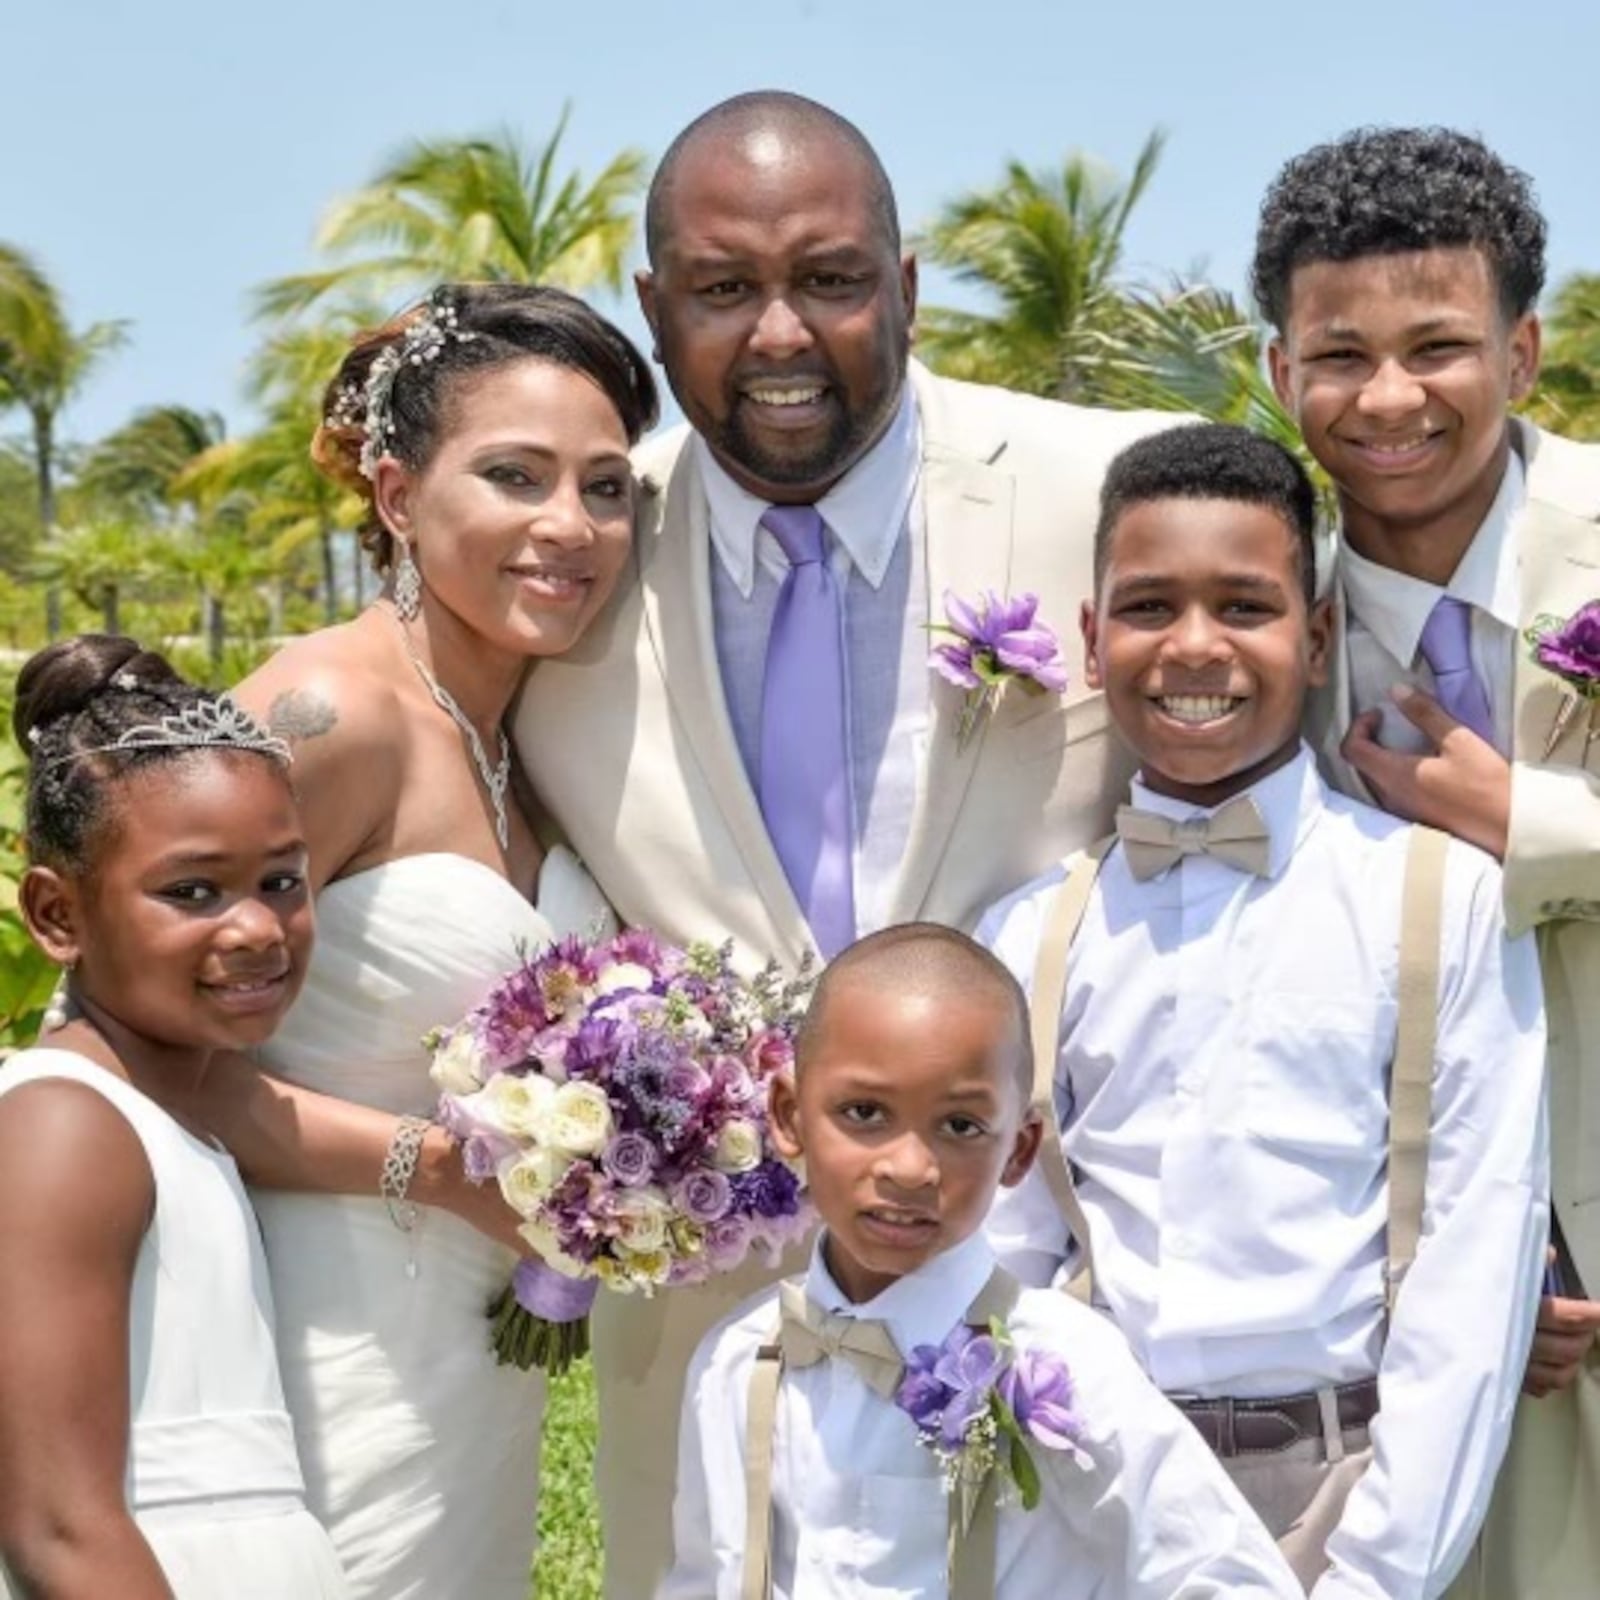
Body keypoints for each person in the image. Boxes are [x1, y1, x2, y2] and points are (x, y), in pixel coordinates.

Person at [513, 89, 1181, 1594]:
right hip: (707, 1357)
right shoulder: (565, 564)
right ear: (651, 307)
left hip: (1069, 1298)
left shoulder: (1106, 496)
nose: (778, 336)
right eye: (722, 288)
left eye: (828, 280)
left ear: (907, 288)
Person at [981, 424, 1548, 1596]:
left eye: (1245, 605)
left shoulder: (1440, 898)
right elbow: (1011, 1260)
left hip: (1351, 1497)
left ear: (1318, 631)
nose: (1194, 647)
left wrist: (1375, 1577)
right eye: (1146, 608)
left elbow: (1471, 1267)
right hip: (1098, 1494)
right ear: (1091, 642)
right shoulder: (1034, 928)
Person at [182, 283, 659, 1598]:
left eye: (607, 488)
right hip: (300, 1348)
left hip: (466, 1384)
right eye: (515, 476)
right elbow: (115, 1052)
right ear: (397, 496)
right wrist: (440, 1169)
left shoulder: (537, 744)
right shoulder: (328, 715)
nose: (570, 526)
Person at [1256, 126, 1600, 1600]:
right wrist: (1461, 1273)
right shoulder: (1263, 631)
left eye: (1439, 345)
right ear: (1280, 373)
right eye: (1340, 354)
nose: (1387, 399)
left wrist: (1528, 819)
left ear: (1521, 353)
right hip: (1437, 1329)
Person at [660, 922, 1303, 1599]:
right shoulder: (737, 1360)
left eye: (961, 1127)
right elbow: (705, 1578)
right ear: (789, 1116)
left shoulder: (1057, 1361)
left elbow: (1228, 1577)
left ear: (1020, 1149)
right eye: (864, 1112)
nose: (909, 1168)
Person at [0, 635, 349, 1599]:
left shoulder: (168, 1119)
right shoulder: (65, 1126)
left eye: (282, 879)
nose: (256, 927)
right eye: (191, 892)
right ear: (57, 915)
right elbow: (59, 1525)